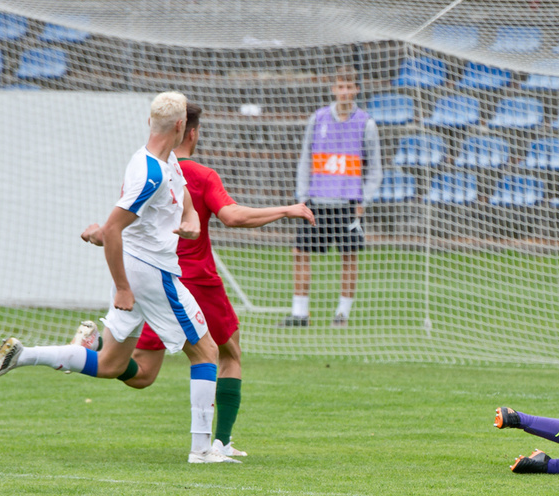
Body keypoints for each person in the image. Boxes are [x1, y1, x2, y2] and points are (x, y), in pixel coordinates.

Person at [0, 92, 235, 464]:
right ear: (181, 127)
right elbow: (115, 230)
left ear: (150, 122)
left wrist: (190, 223)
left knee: (113, 364)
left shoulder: (166, 161)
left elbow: (182, 206)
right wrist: (124, 287)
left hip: (141, 267)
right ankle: (202, 450)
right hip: (152, 274)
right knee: (206, 351)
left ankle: (23, 355)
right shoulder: (150, 173)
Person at [75, 101, 315, 460]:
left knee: (140, 374)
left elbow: (126, 225)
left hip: (149, 282)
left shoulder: (147, 165)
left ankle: (91, 350)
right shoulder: (198, 175)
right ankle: (217, 444)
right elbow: (232, 216)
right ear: (191, 131)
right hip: (192, 282)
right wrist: (285, 209)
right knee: (227, 354)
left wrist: (99, 235)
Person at [279, 64, 382, 327]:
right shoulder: (318, 118)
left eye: (349, 86)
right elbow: (305, 160)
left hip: (347, 204)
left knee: (349, 257)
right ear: (333, 89)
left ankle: (341, 315)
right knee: (300, 252)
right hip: (316, 201)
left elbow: (375, 169)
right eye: (340, 86)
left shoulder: (366, 123)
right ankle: (300, 314)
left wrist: (363, 202)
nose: (344, 91)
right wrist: (301, 196)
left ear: (356, 89)